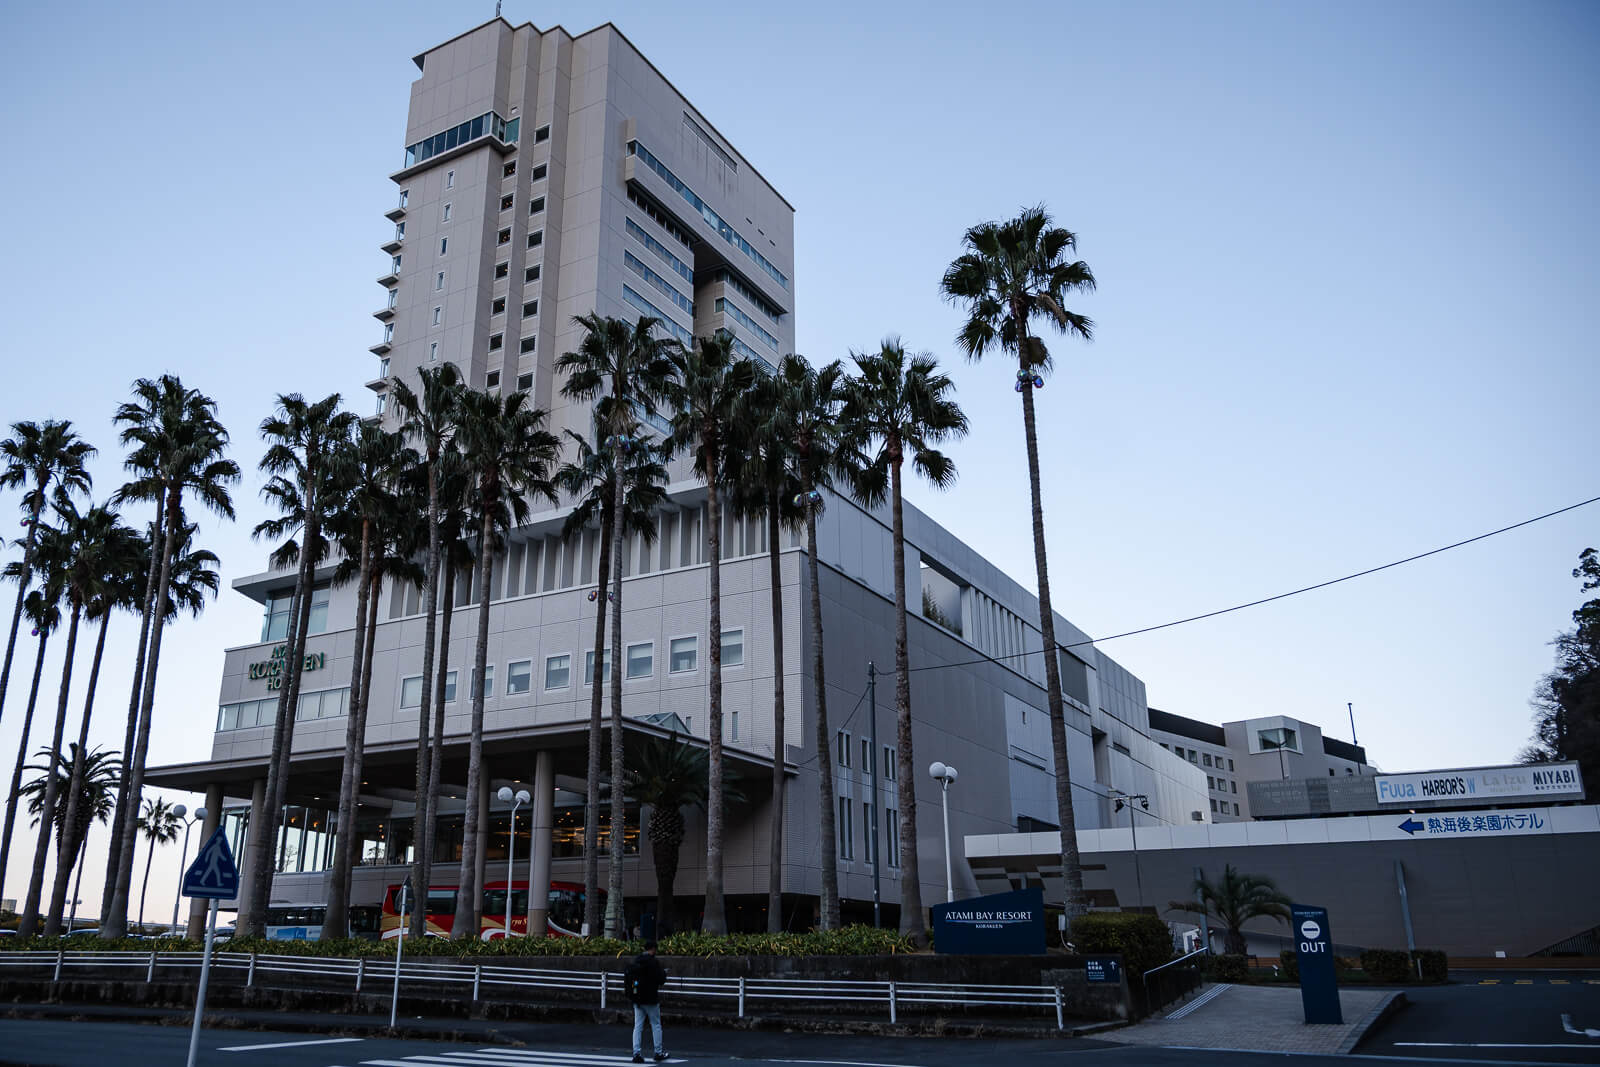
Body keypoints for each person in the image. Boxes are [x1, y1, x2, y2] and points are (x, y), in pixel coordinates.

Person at [624, 939, 669, 1063]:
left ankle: (636, 1053)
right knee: (656, 1024)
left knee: (638, 1026)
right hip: (651, 999)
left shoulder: (637, 961)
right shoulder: (653, 962)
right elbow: (661, 980)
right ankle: (658, 1052)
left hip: (637, 999)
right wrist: (664, 974)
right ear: (653, 949)